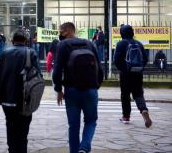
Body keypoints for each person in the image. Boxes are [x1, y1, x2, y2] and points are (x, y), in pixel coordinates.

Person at [53, 22, 103, 153]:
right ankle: (84, 148)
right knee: (91, 121)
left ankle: (75, 151)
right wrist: (95, 86)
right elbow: (100, 68)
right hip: (91, 90)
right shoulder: (90, 44)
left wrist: (58, 90)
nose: (60, 34)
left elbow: (57, 70)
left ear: (68, 31)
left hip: (71, 90)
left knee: (73, 126)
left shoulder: (62, 45)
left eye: (61, 31)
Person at [0, 28, 40, 153]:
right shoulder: (30, 53)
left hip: (7, 99)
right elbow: (38, 77)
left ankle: (12, 149)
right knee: (23, 131)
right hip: (24, 99)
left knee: (10, 126)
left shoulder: (4, 53)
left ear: (12, 40)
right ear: (26, 40)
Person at [113, 24, 152, 128]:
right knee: (138, 93)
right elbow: (145, 58)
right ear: (132, 33)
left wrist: (124, 69)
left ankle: (126, 117)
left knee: (125, 95)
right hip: (138, 73)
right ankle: (143, 110)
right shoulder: (139, 43)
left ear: (122, 33)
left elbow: (116, 60)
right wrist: (140, 68)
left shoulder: (121, 44)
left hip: (126, 74)